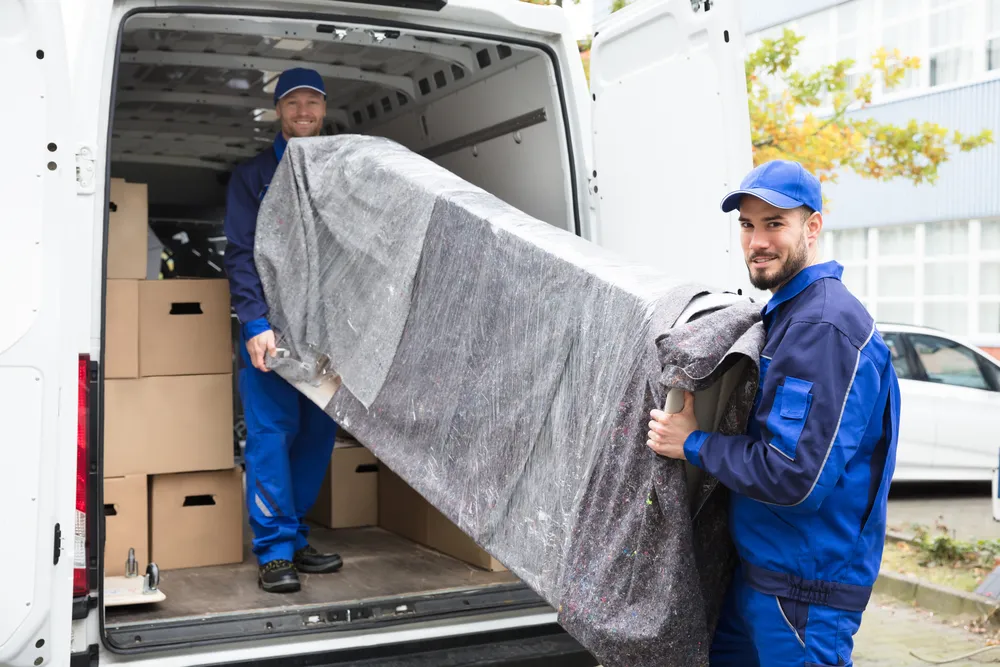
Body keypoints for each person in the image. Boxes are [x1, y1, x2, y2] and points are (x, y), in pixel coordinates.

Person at [646, 159, 900, 666]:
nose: (757, 241)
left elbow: (794, 478)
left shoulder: (823, 328)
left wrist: (693, 442)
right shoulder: (788, 313)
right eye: (747, 224)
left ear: (812, 227)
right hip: (762, 573)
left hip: (804, 593)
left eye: (774, 224)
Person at [223, 68, 343, 593]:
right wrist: (254, 322)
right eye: (292, 103)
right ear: (278, 110)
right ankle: (272, 551)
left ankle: (294, 537)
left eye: (311, 103)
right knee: (272, 436)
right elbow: (241, 255)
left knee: (317, 438)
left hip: (327, 338)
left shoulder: (341, 173)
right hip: (271, 332)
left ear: (323, 109)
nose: (302, 112)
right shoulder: (252, 177)